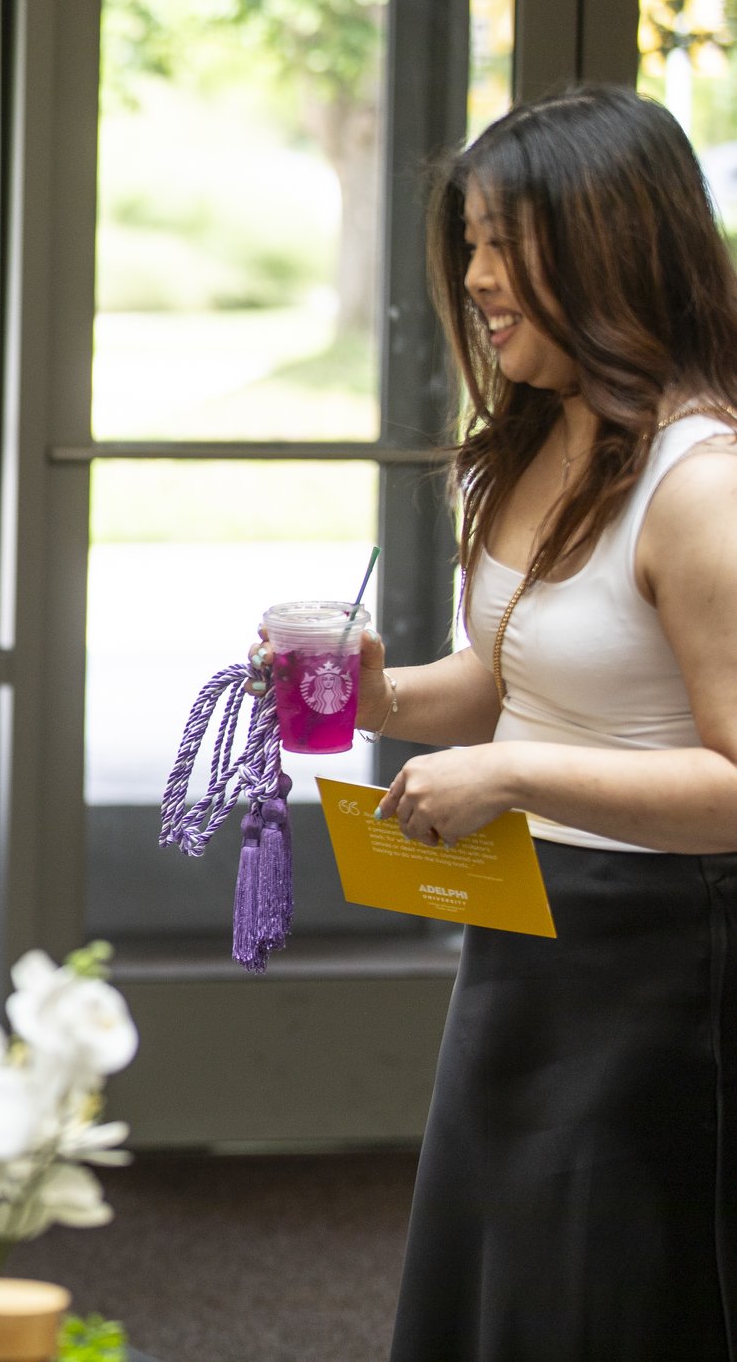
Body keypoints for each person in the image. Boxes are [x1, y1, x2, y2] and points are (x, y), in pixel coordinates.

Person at [260, 87, 737, 1360]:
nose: (472, 276)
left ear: (605, 240)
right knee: (498, 1286)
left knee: (597, 1296)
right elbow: (506, 667)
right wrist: (381, 696)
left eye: (499, 242)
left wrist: (514, 772)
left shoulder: (703, 489)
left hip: (657, 969)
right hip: (526, 935)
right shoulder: (538, 439)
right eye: (466, 242)